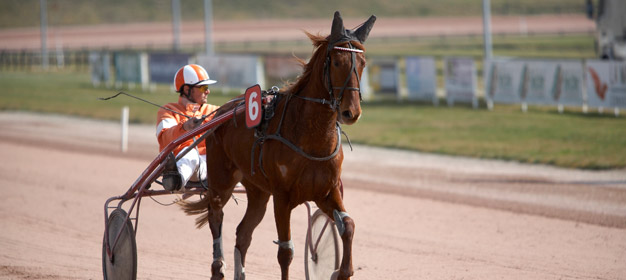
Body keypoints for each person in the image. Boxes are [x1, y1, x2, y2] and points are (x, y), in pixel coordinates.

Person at [156, 64, 220, 191]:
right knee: (190, 153)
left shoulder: (214, 110)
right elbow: (164, 138)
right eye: (203, 87)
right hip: (188, 164)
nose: (208, 91)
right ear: (186, 89)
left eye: (207, 87)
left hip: (213, 164)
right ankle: (176, 181)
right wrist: (184, 127)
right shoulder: (168, 110)